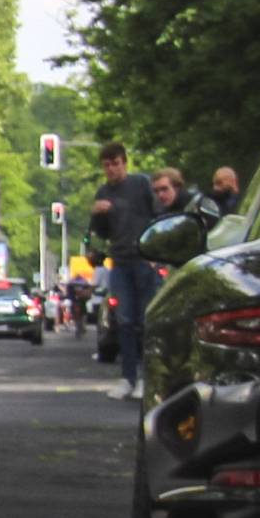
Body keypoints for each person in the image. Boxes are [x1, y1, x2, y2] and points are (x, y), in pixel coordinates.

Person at [91, 143, 159, 401]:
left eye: (115, 163)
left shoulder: (141, 184)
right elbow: (102, 232)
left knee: (144, 321)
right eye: (106, 165)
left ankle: (144, 376)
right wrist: (96, 215)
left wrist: (154, 251)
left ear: (124, 163)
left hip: (144, 260)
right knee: (125, 321)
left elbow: (158, 214)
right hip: (119, 261)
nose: (111, 169)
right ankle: (127, 377)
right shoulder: (103, 192)